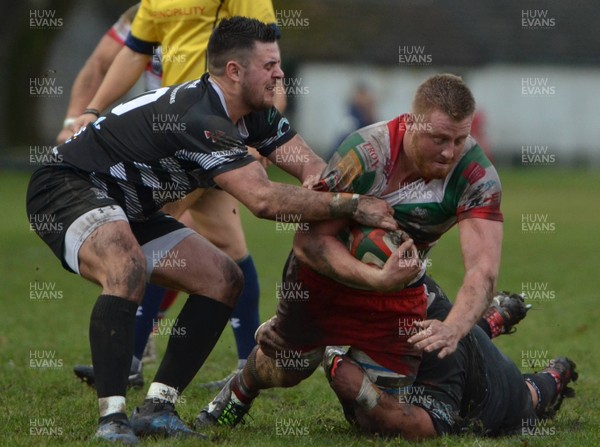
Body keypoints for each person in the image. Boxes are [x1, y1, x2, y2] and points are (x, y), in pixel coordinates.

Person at [26, 17, 396, 444]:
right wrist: (354, 206)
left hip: (130, 207)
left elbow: (311, 166)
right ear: (234, 72)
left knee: (223, 278)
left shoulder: (254, 114)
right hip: (66, 186)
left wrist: (324, 184)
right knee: (124, 267)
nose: (280, 74)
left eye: (279, 64)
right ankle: (112, 420)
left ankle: (159, 409)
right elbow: (261, 200)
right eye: (270, 65)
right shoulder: (200, 116)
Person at [195, 73, 504, 428]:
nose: (450, 151)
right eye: (439, 139)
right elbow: (308, 242)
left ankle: (338, 349)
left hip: (396, 287)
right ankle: (241, 387)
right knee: (289, 368)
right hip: (323, 275)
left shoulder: (476, 175)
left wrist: (453, 328)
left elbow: (484, 270)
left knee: (379, 414)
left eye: (459, 139)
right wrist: (376, 278)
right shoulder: (366, 153)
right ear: (410, 123)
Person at [64, 0, 288, 390]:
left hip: (210, 134)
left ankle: (131, 359)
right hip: (169, 134)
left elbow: (266, 61)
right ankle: (250, 365)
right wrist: (94, 108)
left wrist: (260, 132)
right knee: (225, 244)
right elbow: (133, 53)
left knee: (147, 237)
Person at [320, 276, 578, 439]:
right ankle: (492, 320)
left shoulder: (438, 350)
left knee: (524, 395)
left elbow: (421, 427)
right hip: (460, 342)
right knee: (468, 336)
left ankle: (553, 376)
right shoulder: (383, 287)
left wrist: (359, 390)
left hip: (493, 388)